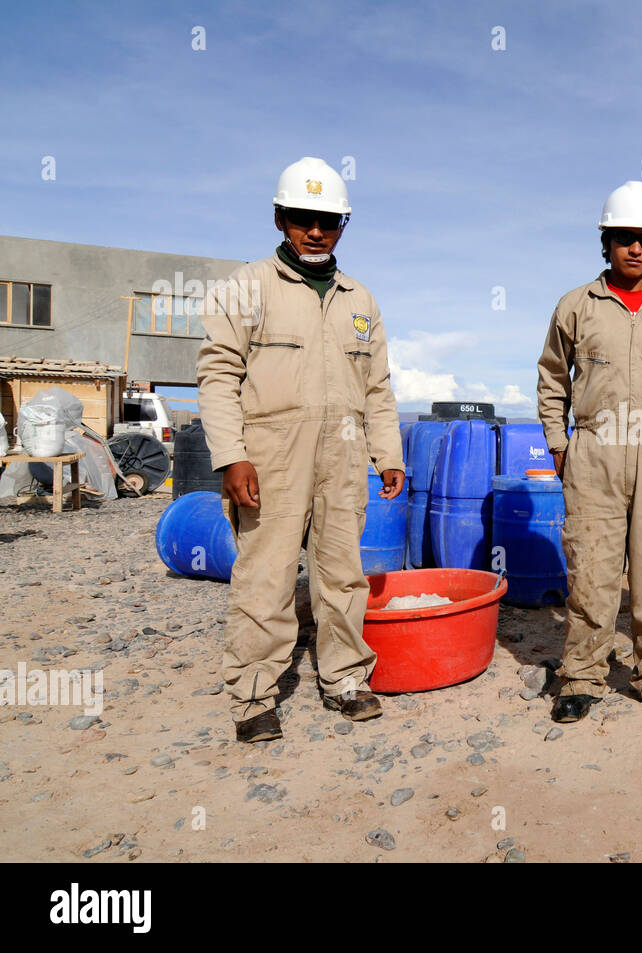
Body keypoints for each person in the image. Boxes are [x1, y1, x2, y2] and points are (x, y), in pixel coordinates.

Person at [197, 157, 405, 743]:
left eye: (329, 221)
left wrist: (388, 453)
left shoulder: (360, 298)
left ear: (343, 225)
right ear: (280, 218)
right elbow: (217, 376)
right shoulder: (247, 287)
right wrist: (231, 455)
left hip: (343, 456)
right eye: (302, 219)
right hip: (270, 457)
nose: (316, 231)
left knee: (342, 573)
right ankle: (255, 695)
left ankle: (344, 677)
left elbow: (378, 386)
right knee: (265, 574)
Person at [536, 181, 642, 723]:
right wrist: (561, 445)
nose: (636, 249)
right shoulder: (576, 305)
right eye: (625, 238)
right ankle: (582, 675)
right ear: (607, 242)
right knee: (592, 569)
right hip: (594, 454)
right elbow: (550, 379)